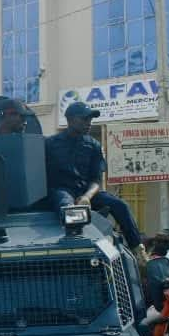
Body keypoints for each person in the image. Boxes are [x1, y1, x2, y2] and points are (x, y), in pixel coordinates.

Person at [46, 102, 145, 260]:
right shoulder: (49, 144)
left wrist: (87, 197)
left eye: (90, 119)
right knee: (67, 207)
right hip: (61, 190)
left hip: (86, 192)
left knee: (120, 205)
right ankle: (74, 249)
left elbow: (96, 179)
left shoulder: (93, 145)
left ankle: (138, 251)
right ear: (70, 120)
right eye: (84, 119)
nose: (89, 122)